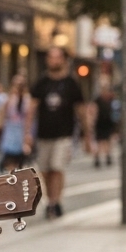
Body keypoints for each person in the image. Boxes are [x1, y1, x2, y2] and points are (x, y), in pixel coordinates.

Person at [27, 45, 88, 219]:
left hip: (64, 134)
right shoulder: (41, 83)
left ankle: (56, 201)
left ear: (63, 60)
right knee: (45, 170)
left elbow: (81, 110)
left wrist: (87, 135)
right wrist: (27, 133)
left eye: (57, 57)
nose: (54, 61)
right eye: (51, 57)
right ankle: (50, 200)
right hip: (43, 134)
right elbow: (31, 109)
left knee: (57, 168)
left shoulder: (71, 83)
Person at [0, 74, 32, 173]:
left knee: (21, 160)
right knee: (9, 159)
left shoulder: (27, 99)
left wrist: (28, 134)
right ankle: (11, 176)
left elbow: (29, 117)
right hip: (10, 131)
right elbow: (3, 115)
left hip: (22, 131)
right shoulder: (9, 98)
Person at [92, 83, 116, 168]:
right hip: (100, 122)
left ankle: (107, 156)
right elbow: (94, 110)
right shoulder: (98, 100)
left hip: (107, 122)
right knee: (100, 141)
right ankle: (98, 158)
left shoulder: (110, 99)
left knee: (107, 141)